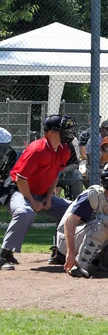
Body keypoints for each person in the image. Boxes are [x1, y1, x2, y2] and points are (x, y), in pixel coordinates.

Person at [0, 115, 76, 270]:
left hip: (41, 194)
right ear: (52, 132)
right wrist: (32, 201)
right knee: (25, 212)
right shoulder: (37, 149)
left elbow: (55, 174)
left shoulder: (64, 150)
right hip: (18, 191)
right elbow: (20, 178)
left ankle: (59, 253)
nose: (68, 133)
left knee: (73, 210)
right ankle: (4, 255)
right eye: (64, 129)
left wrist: (49, 197)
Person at [56, 134, 84, 199]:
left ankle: (77, 201)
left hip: (66, 172)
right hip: (51, 172)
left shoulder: (68, 144)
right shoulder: (48, 144)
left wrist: (63, 171)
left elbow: (75, 164)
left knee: (77, 176)